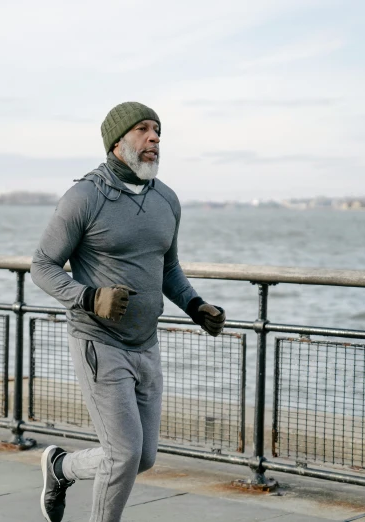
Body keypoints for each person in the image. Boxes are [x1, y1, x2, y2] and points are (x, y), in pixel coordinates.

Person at [31, 101, 226, 522]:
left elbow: (168, 267)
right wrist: (87, 297)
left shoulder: (166, 200)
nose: (155, 137)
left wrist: (195, 305)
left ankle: (61, 467)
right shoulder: (84, 196)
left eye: (158, 130)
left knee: (143, 457)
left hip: (146, 342)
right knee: (122, 455)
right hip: (99, 342)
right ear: (117, 141)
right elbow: (41, 267)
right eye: (143, 129)